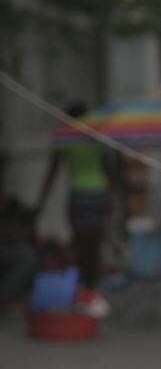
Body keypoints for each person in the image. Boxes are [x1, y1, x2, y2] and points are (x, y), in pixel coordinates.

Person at [35, 102, 114, 318]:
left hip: (78, 196)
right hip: (98, 194)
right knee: (95, 245)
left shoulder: (64, 137)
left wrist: (40, 204)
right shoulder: (97, 135)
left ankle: (83, 289)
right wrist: (112, 200)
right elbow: (109, 168)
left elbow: (53, 171)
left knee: (79, 244)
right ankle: (93, 290)